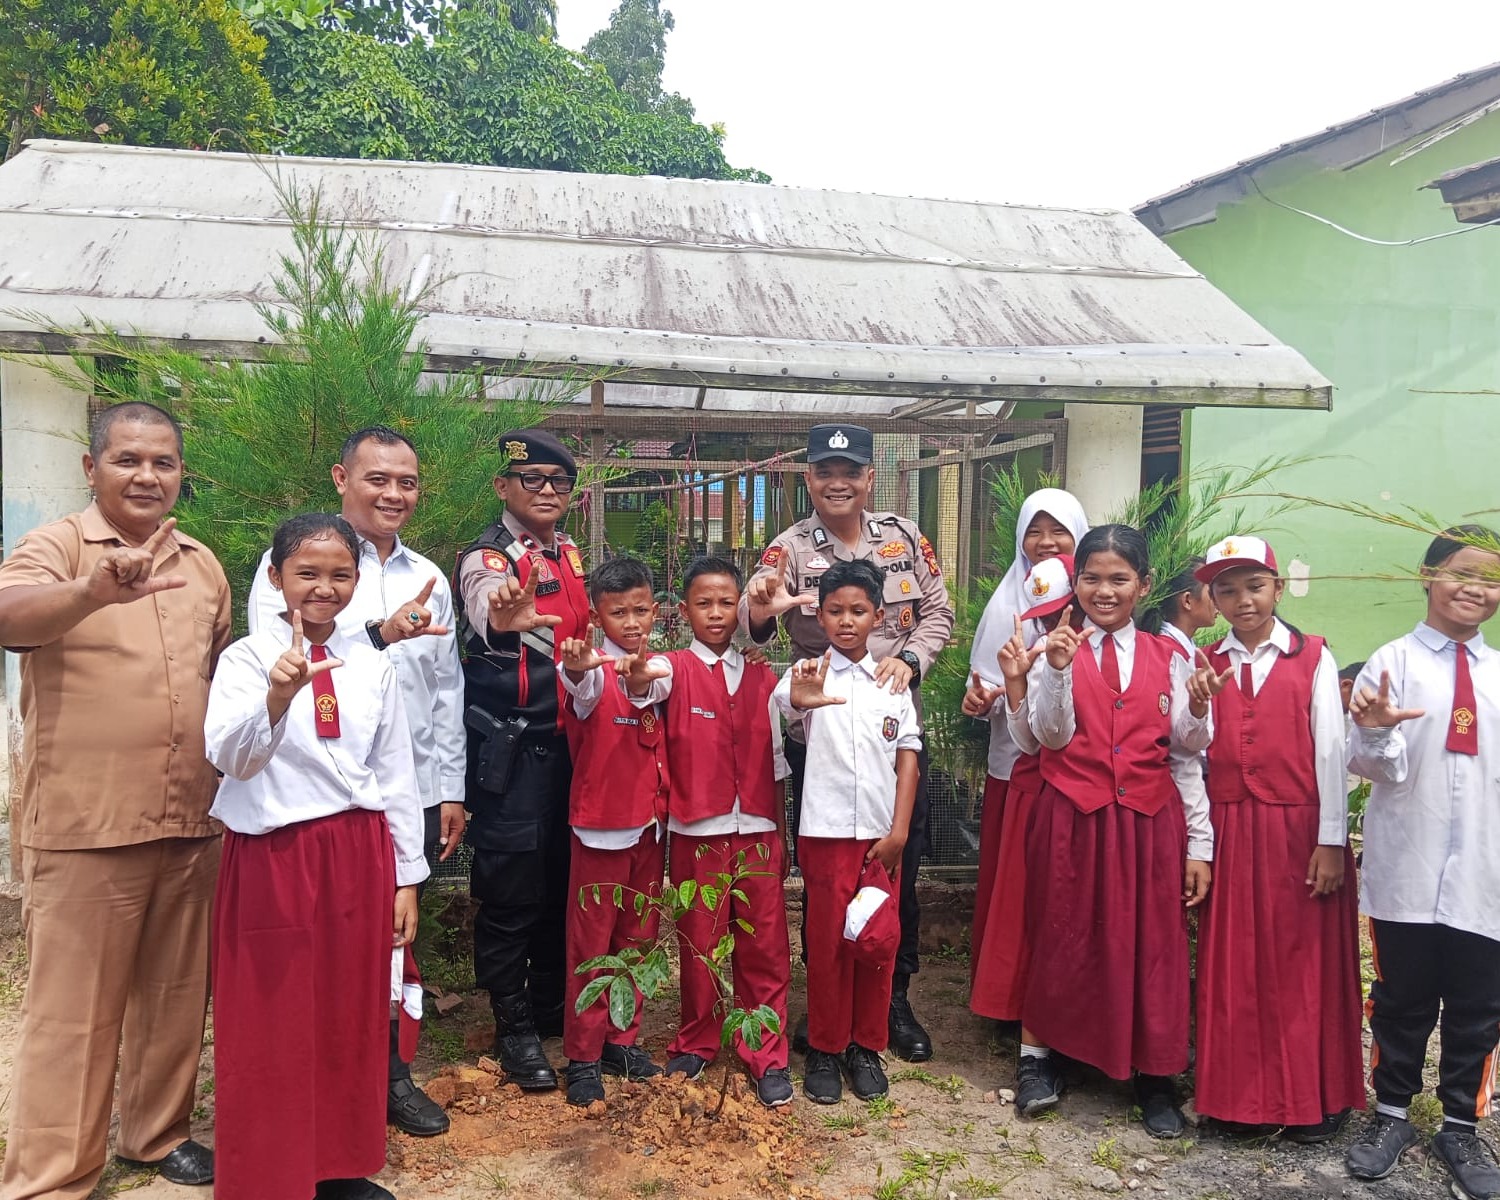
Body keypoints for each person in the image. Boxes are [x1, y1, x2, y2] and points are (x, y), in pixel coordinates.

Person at [0, 402, 228, 1199]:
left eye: (163, 463)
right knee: (73, 1016)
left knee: (174, 995)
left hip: (190, 819)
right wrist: (90, 592)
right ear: (91, 467)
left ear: (180, 477)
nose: (146, 475)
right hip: (87, 823)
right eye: (128, 459)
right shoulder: (57, 545)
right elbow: (9, 618)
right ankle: (54, 1175)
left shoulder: (202, 563)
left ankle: (155, 1135)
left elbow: (217, 673)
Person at [247, 425, 463, 1137]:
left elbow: (444, 692)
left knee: (398, 939)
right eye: (378, 478)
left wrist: (450, 786)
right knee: (325, 957)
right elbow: (284, 673)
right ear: (343, 479)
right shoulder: (294, 564)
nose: (393, 493)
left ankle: (391, 1075)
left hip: (407, 787)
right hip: (319, 809)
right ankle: (317, 1090)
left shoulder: (426, 574)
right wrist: (377, 635)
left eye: (406, 481)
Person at [206, 513, 427, 1200]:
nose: (323, 588)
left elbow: (395, 772)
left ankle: (337, 1163)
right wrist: (277, 695)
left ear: (358, 583)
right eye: (307, 573)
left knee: (346, 1013)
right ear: (275, 579)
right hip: (276, 854)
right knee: (271, 1020)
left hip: (356, 856)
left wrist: (407, 877)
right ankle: (268, 1173)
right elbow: (230, 758)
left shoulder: (371, 665)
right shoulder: (245, 660)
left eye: (340, 575)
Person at [743, 423, 954, 1062]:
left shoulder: (904, 538)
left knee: (899, 869)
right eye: (824, 470)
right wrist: (764, 607)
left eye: (850, 470)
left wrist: (911, 662)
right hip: (825, 735)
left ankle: (893, 1001)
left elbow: (939, 613)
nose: (838, 481)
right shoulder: (787, 548)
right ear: (808, 479)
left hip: (892, 734)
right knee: (829, 882)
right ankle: (829, 1007)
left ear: (869, 478)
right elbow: (755, 625)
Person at [1008, 524, 1220, 1138]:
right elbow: (1048, 737)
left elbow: (1184, 751)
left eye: (1119, 579)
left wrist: (1201, 708)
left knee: (1153, 942)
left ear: (1144, 585)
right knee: (1060, 932)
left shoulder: (1171, 657)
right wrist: (1056, 671)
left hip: (1148, 823)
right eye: (1092, 578)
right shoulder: (1055, 644)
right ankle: (1041, 1060)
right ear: (1074, 584)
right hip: (1072, 815)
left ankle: (1156, 1076)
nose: (1105, 591)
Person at [1190, 536, 1364, 1141]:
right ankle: (1240, 1100)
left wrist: (1332, 841)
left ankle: (1313, 1099)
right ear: (1211, 597)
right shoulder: (1205, 662)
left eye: (1254, 586)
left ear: (1278, 589)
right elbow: (1191, 752)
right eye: (1227, 589)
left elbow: (1331, 751)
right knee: (1234, 963)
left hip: (1299, 830)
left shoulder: (1312, 657)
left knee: (1302, 963)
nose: (1243, 601)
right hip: (1233, 826)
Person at [1345, 526, 1500, 1200]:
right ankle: (1391, 1115)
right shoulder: (1394, 661)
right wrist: (1377, 727)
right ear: (1427, 575)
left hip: (1486, 872)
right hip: (1408, 860)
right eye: (1462, 572)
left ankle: (1463, 1124)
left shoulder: (1499, 676)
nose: (1476, 588)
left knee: (1480, 1005)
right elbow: (1373, 767)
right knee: (1402, 998)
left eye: (1492, 579)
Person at [629, 556, 793, 1108]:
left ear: (741, 609)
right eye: (704, 603)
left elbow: (785, 734)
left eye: (727, 602)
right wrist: (632, 673)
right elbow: (640, 687)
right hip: (699, 831)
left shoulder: (765, 674)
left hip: (760, 830)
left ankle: (765, 1050)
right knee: (700, 941)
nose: (716, 613)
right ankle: (697, 1040)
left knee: (765, 945)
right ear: (683, 610)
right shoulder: (672, 667)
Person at [453, 429, 589, 1093]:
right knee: (509, 894)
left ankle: (548, 1009)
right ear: (504, 486)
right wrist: (504, 612)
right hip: (513, 752)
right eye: (531, 479)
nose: (545, 491)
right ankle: (514, 1030)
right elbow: (488, 606)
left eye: (557, 482)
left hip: (570, 751)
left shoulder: (567, 553)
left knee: (561, 884)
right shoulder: (490, 556)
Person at [774, 560, 921, 1104]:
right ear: (819, 614)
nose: (846, 621)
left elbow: (908, 756)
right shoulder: (808, 675)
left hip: (882, 838)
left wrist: (900, 830)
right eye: (834, 610)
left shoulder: (893, 683)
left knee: (877, 940)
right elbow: (782, 709)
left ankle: (867, 1045)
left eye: (858, 611)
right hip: (826, 834)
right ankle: (827, 1048)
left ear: (877, 616)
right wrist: (798, 703)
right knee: (828, 942)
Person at [965, 489, 1088, 1024]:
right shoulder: (1006, 604)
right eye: (1034, 532)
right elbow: (983, 688)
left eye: (1058, 531)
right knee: (1018, 888)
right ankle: (1011, 1004)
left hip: (1085, 776)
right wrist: (987, 695)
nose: (1046, 542)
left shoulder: (1098, 604)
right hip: (1020, 770)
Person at [556, 557, 669, 1106]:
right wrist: (578, 669)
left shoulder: (660, 667)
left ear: (655, 610)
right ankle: (581, 1054)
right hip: (600, 830)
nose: (631, 622)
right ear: (598, 618)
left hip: (650, 828)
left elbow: (657, 688)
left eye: (640, 610)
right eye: (618, 612)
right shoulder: (592, 671)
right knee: (590, 946)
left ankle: (621, 1038)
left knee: (638, 940)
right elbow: (577, 688)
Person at [1143, 556, 1214, 659]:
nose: (1217, 600)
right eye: (1211, 592)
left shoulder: (1183, 649)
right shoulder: (1167, 654)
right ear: (1187, 600)